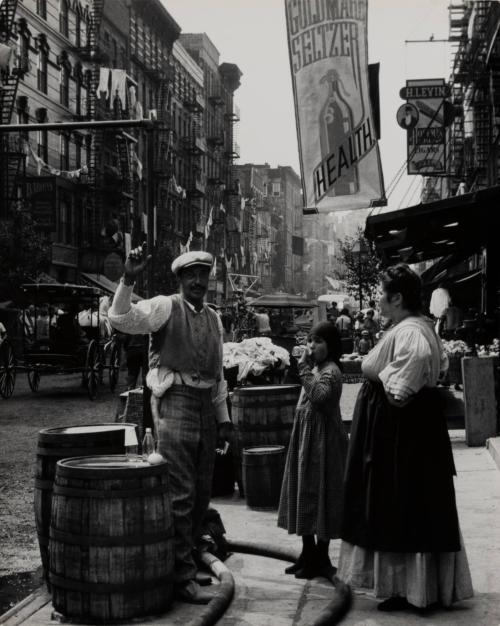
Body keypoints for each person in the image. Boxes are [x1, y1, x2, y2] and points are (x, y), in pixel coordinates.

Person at [338, 263, 473, 612]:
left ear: (397, 298)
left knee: (407, 504)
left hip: (403, 433)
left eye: (383, 295)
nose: (379, 302)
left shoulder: (411, 332)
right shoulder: (411, 326)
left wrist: (386, 384)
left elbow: (402, 389)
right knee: (401, 506)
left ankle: (416, 591)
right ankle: (405, 588)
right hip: (404, 430)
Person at [108, 244, 233, 605]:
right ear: (179, 279)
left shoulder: (214, 318)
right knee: (180, 492)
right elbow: (120, 319)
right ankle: (180, 577)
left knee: (203, 492)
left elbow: (219, 373)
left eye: (202, 274)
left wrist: (224, 420)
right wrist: (129, 278)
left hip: (205, 404)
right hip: (174, 399)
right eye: (190, 275)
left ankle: (189, 562)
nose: (198, 281)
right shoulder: (165, 306)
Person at [278, 322, 348, 580]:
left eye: (318, 341)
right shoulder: (316, 368)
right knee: (304, 493)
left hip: (323, 444)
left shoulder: (331, 371)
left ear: (330, 345)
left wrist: (304, 368)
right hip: (307, 441)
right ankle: (308, 553)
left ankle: (321, 555)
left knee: (321, 495)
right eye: (309, 341)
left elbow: (319, 397)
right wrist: (305, 367)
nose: (311, 346)